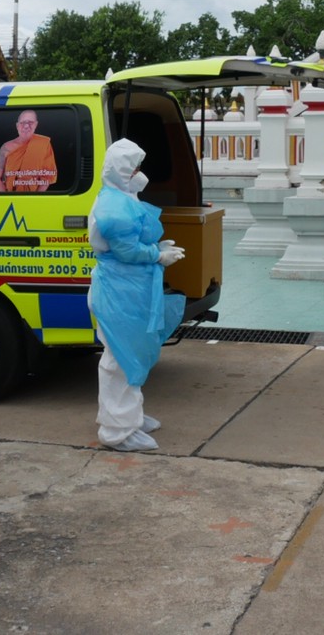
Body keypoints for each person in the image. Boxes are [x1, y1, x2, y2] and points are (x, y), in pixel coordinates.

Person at [87, 139, 185, 452]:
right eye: (135, 169)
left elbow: (132, 242)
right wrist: (157, 255)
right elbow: (127, 251)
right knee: (120, 360)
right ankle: (117, 431)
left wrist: (155, 248)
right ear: (121, 171)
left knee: (131, 354)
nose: (140, 174)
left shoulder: (121, 196)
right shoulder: (114, 207)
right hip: (118, 292)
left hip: (125, 289)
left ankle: (129, 417)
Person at [0, 109, 56, 192]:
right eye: (22, 123)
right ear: (17, 126)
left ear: (36, 124)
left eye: (31, 122)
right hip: (9, 195)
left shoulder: (43, 143)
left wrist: (35, 197)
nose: (26, 126)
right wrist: (6, 197)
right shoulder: (6, 147)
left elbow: (46, 178)